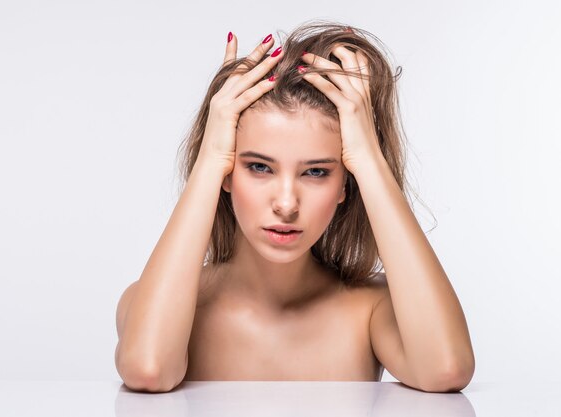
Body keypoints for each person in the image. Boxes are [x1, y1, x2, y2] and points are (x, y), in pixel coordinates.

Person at [114, 20, 475, 394]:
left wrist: (368, 159)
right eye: (258, 167)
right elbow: (148, 369)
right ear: (226, 172)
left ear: (345, 184)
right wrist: (209, 160)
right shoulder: (152, 304)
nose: (286, 204)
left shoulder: (372, 309)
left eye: (316, 171)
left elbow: (445, 369)